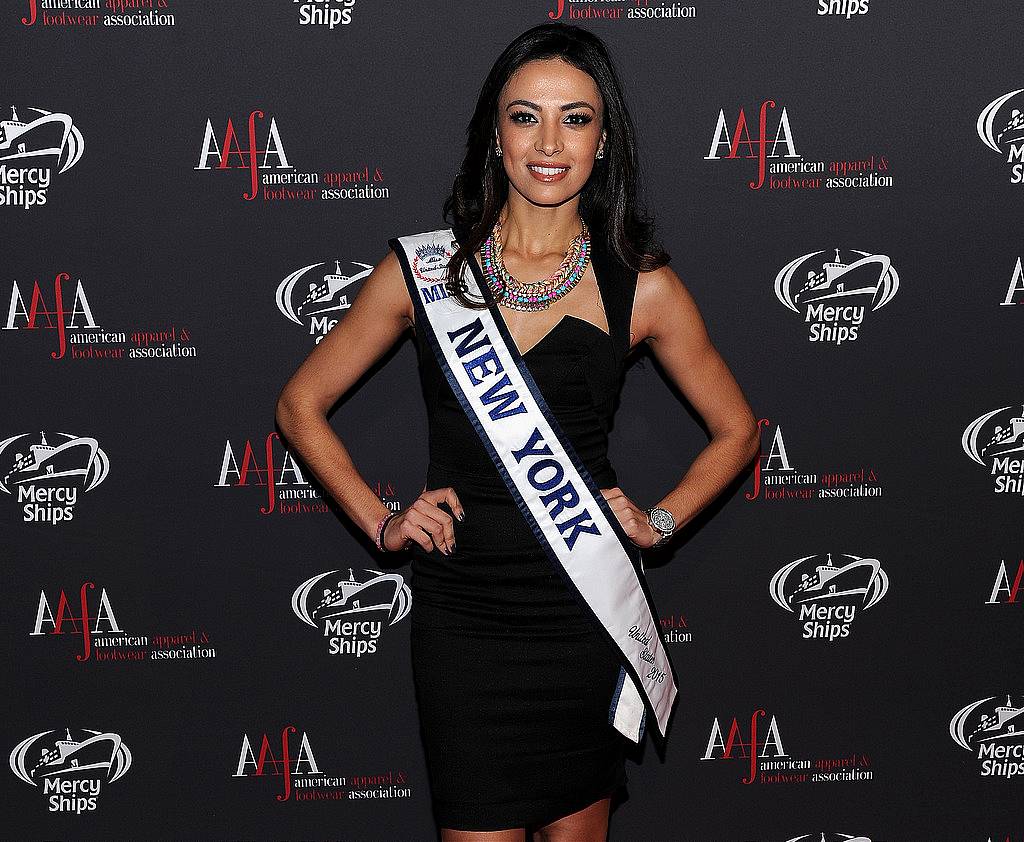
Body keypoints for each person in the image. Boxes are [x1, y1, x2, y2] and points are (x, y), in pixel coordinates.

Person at [275, 22, 759, 842]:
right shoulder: (425, 271)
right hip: (464, 619)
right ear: (493, 135)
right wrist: (382, 520)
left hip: (582, 610)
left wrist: (659, 521)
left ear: (604, 142)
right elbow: (299, 405)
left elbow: (738, 431)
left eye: (576, 119)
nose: (549, 141)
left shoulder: (642, 287)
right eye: (524, 115)